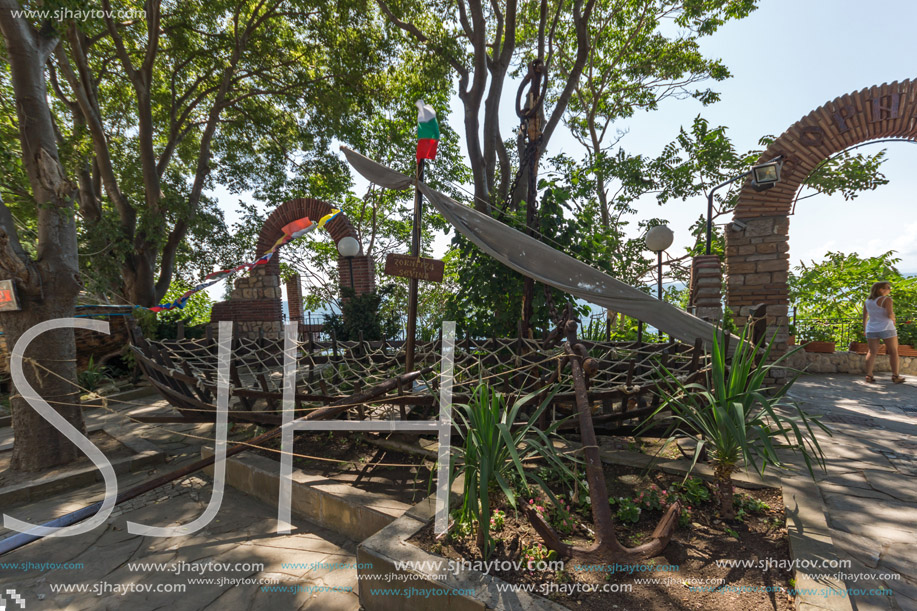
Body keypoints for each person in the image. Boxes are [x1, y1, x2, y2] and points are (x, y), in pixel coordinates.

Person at [863, 281, 905, 384]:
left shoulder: (867, 301)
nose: (890, 289)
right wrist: (894, 319)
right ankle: (895, 376)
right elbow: (890, 314)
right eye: (888, 287)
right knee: (893, 352)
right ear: (881, 289)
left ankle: (869, 376)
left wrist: (865, 329)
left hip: (871, 329)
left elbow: (865, 317)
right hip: (887, 328)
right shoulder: (886, 300)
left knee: (872, 352)